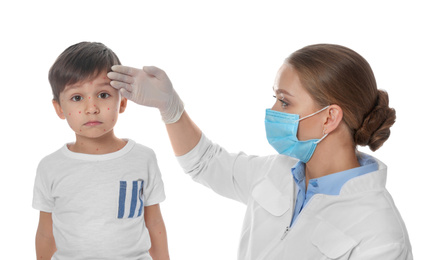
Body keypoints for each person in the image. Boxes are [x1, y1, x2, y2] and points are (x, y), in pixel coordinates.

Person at [108, 44, 413, 259]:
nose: (272, 111)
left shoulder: (379, 232)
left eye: (285, 102)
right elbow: (204, 163)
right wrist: (170, 107)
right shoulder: (277, 172)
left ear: (329, 117)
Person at [33, 42, 169, 260]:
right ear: (59, 108)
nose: (91, 108)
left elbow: (153, 223)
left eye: (103, 95)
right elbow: (46, 234)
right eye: (77, 98)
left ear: (122, 102)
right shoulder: (50, 167)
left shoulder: (143, 158)